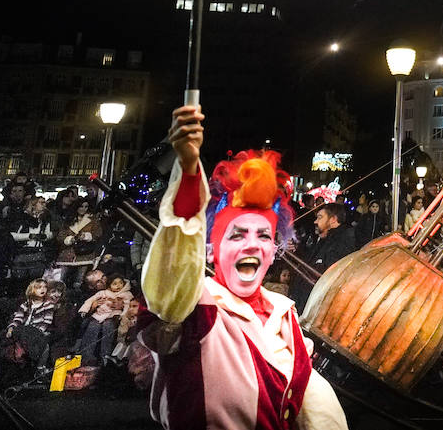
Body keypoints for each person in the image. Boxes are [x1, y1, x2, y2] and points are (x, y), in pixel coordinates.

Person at [136, 105, 346, 430]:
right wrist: (189, 171)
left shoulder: (284, 314)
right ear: (209, 252)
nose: (251, 243)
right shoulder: (197, 307)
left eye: (263, 235)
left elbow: (315, 407)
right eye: (237, 234)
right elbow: (171, 279)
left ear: (273, 250)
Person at [77, 275, 133, 365]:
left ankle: (105, 356)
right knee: (92, 326)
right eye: (115, 284)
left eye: (121, 283)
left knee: (108, 326)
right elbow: (90, 300)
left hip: (114, 316)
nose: (118, 286)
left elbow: (127, 306)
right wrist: (85, 309)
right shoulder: (103, 292)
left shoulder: (126, 294)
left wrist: (123, 314)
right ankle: (86, 357)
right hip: (99, 315)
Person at [308, 202, 358, 273]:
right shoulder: (324, 238)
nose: (315, 222)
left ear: (333, 219)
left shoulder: (342, 243)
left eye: (320, 217)